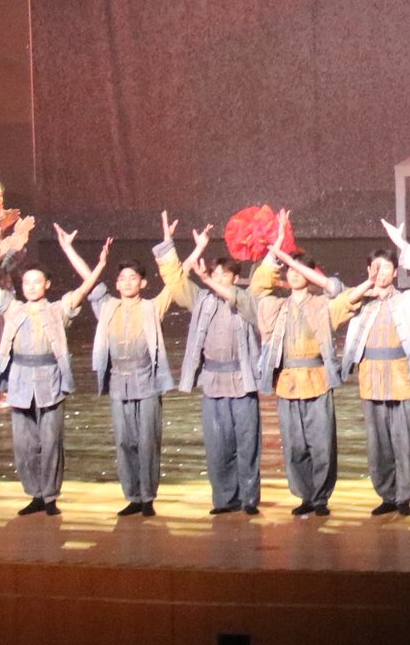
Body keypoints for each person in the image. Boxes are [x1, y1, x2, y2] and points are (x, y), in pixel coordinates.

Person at [61, 215, 186, 518]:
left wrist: (168, 244)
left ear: (143, 283)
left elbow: (175, 282)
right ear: (116, 284)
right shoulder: (107, 306)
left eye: (133, 278)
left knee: (148, 441)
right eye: (122, 279)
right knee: (125, 442)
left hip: (147, 381)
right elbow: (90, 280)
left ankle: (148, 497)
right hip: (119, 381)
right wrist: (68, 249)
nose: (127, 282)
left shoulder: (152, 306)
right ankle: (133, 496)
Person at [337, 222, 410, 518]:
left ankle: (404, 497)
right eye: (376, 267)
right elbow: (340, 301)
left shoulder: (407, 300)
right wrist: (367, 287)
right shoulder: (360, 303)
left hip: (401, 381)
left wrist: (404, 247)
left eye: (387, 267)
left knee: (405, 442)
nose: (382, 273)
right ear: (369, 270)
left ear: (395, 271)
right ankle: (386, 495)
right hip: (371, 382)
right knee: (377, 445)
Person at [0, 234, 98, 518]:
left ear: (47, 284)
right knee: (24, 444)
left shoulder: (59, 309)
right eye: (27, 282)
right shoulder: (14, 308)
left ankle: (50, 496)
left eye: (37, 282)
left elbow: (88, 284)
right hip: (20, 380)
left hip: (50, 380)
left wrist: (69, 249)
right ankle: (34, 493)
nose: (31, 286)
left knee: (51, 441)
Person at [256, 232, 350, 518]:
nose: (294, 274)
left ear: (310, 275)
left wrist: (293, 261)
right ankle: (304, 495)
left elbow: (337, 290)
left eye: (300, 270)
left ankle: (321, 497)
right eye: (290, 270)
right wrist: (276, 254)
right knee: (294, 444)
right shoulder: (276, 307)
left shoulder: (322, 304)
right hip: (287, 382)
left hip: (317, 378)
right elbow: (258, 289)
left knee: (321, 442)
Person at [174, 235, 266, 516]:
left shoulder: (246, 299)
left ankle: (249, 498)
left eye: (224, 275)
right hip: (213, 382)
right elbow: (177, 282)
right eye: (214, 274)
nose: (218, 279)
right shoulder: (201, 300)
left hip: (242, 381)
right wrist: (198, 249)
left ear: (235, 278)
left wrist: (205, 278)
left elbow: (244, 299)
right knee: (218, 445)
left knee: (247, 443)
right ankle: (225, 499)